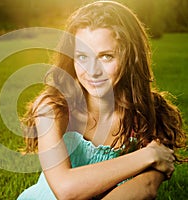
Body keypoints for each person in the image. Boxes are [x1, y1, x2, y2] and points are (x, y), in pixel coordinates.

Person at [17, 1, 186, 199]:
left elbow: (147, 186)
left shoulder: (151, 114)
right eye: (82, 56)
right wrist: (147, 155)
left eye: (106, 57)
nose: (92, 71)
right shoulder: (53, 108)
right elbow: (65, 189)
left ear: (131, 57)